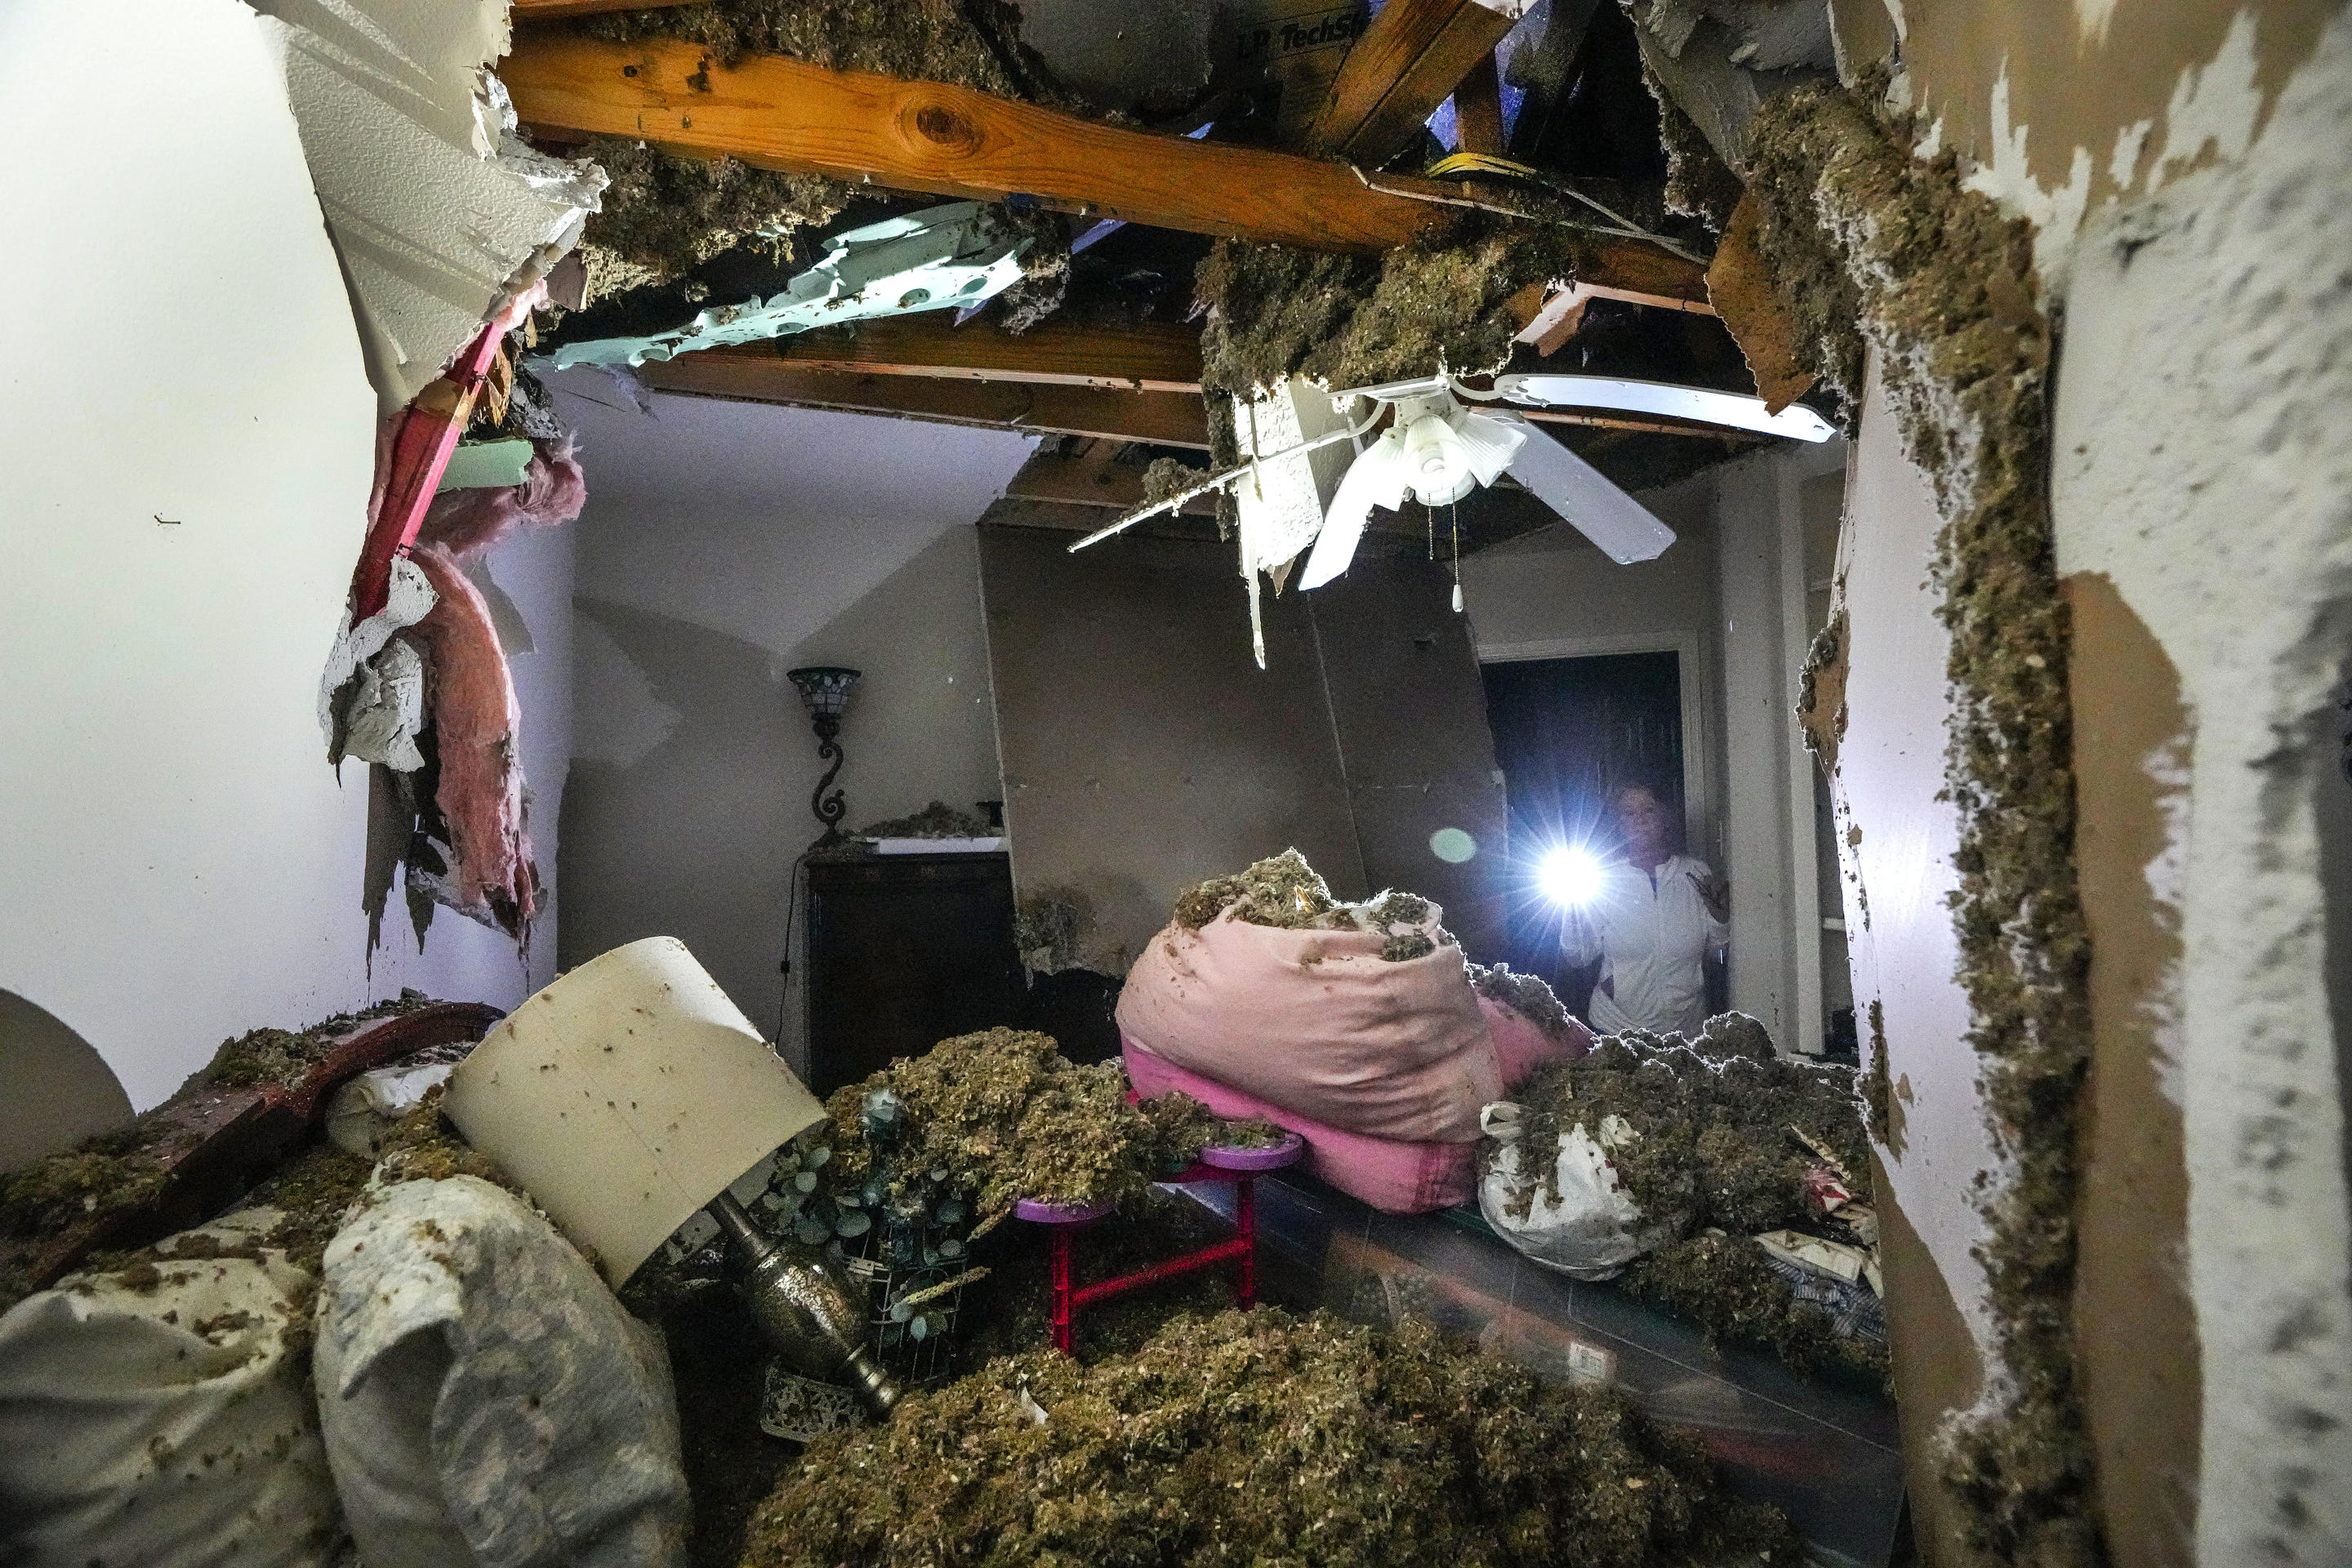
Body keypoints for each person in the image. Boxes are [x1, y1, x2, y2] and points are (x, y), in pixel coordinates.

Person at [1561, 779, 1728, 1037]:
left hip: (1687, 1030)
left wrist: (1720, 918)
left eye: (1648, 809)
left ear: (1664, 815)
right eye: (1629, 813)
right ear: (1618, 823)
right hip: (1617, 1028)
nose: (1640, 820)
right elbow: (1578, 956)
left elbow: (1718, 948)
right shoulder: (1602, 879)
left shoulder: (1695, 875)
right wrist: (1572, 914)